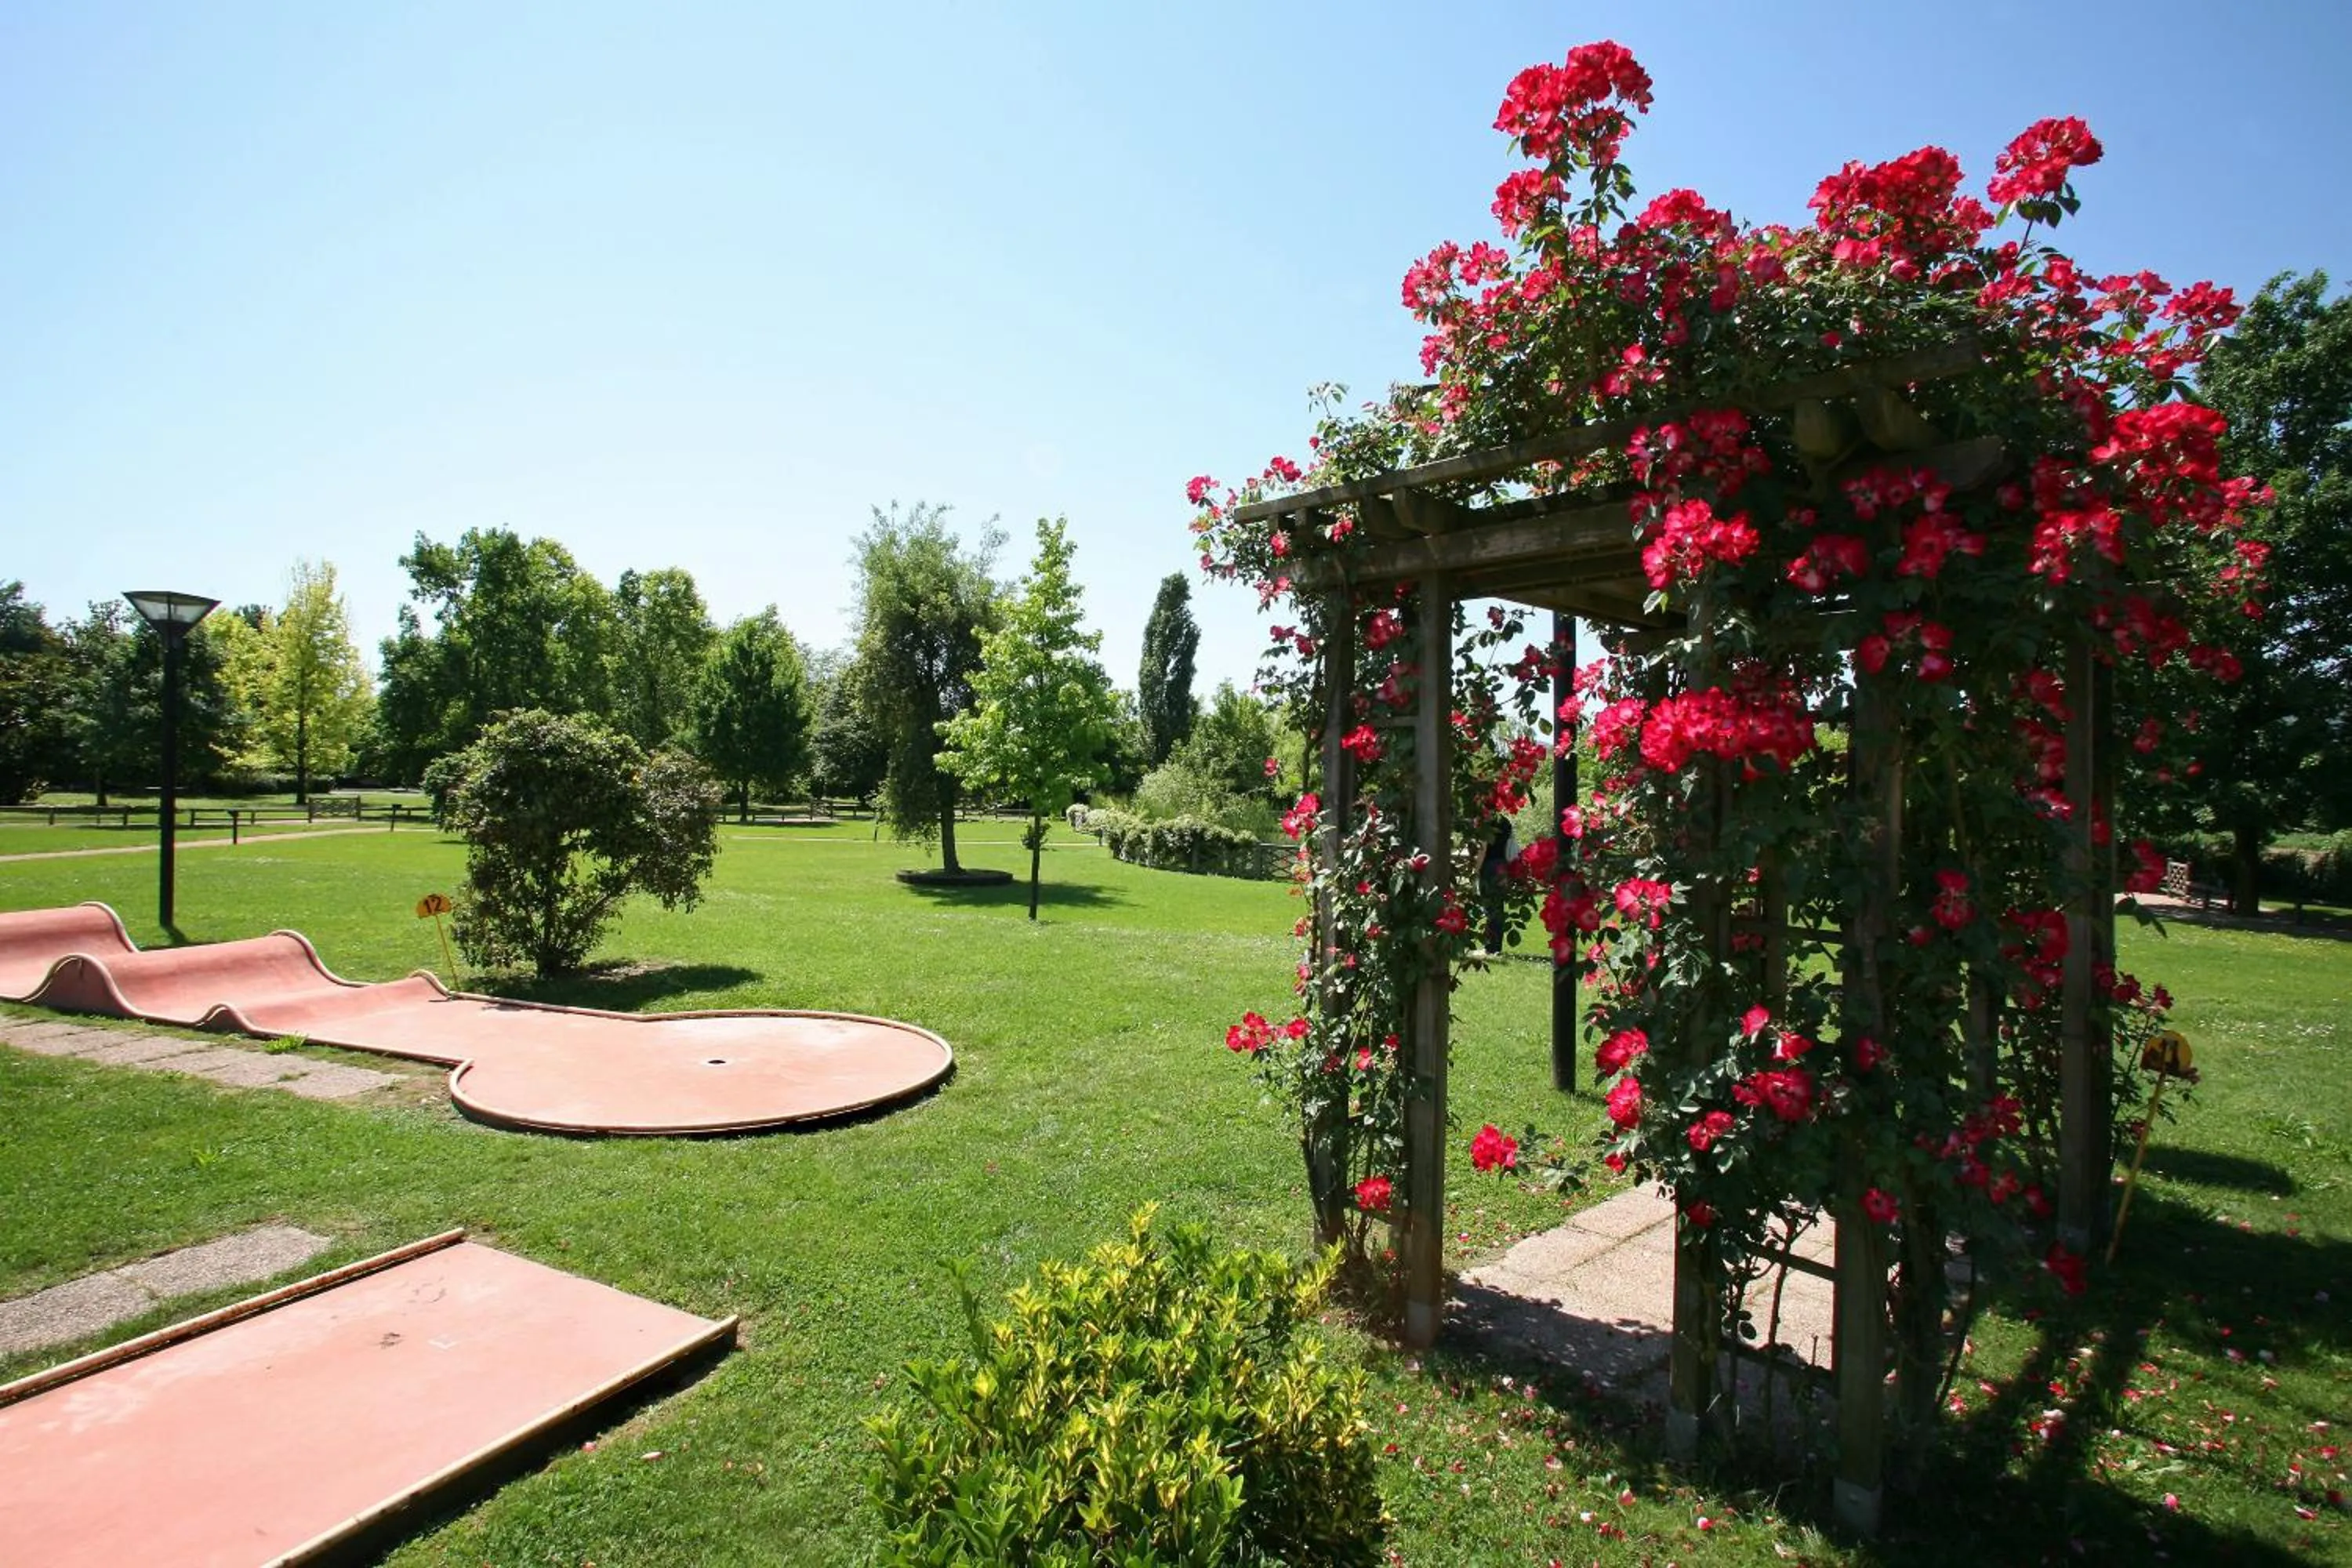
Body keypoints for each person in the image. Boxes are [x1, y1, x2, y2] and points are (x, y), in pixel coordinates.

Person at [1478, 811, 1515, 956]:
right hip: (1502, 866)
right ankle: (1496, 947)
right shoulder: (1505, 821)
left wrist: (1475, 870)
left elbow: (1483, 849)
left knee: (1489, 907)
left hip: (1489, 866)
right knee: (1498, 907)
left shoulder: (1486, 822)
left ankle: (1490, 948)